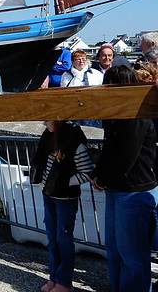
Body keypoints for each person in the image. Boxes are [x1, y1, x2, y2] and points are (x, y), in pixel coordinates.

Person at [91, 66, 158, 292]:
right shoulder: (119, 114)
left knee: (132, 251)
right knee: (117, 247)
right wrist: (99, 175)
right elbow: (110, 149)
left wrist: (102, 178)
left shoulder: (135, 114)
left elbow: (126, 154)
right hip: (121, 188)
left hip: (134, 190)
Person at [31, 120, 93, 292]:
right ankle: (54, 278)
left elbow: (87, 172)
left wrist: (63, 183)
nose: (43, 123)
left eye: (47, 119)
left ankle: (64, 282)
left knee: (63, 241)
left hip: (65, 198)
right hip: (50, 195)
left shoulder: (74, 141)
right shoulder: (50, 137)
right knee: (53, 240)